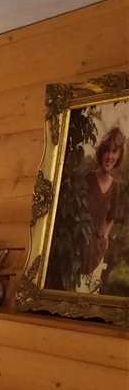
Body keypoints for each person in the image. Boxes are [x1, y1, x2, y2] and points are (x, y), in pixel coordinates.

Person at [80, 125, 125, 293]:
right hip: (78, 249)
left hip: (97, 253)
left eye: (114, 152)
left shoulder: (116, 188)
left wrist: (105, 235)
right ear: (101, 153)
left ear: (119, 156)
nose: (110, 156)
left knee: (88, 296)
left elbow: (111, 216)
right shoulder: (87, 178)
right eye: (107, 151)